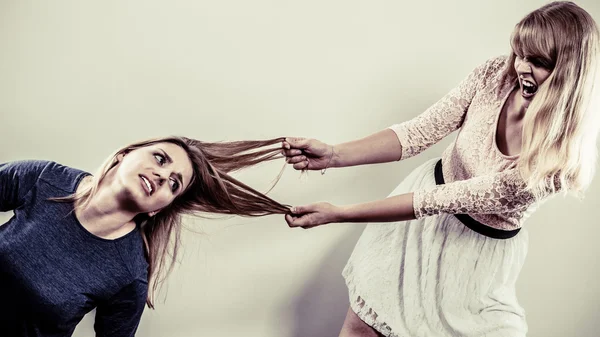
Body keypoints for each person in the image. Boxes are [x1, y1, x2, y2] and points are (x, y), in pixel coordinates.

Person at [282, 2, 600, 336]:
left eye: (538, 62)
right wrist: (333, 155)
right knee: (363, 327)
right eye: (520, 53)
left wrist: (339, 214)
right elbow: (420, 131)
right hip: (413, 225)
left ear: (569, 72)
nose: (521, 67)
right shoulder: (495, 75)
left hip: (472, 258)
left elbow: (439, 200)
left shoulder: (555, 165)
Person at [0, 136, 290, 336]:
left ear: (158, 208)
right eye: (160, 159)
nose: (163, 176)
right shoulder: (45, 179)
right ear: (124, 154)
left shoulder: (128, 273)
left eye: (174, 184)